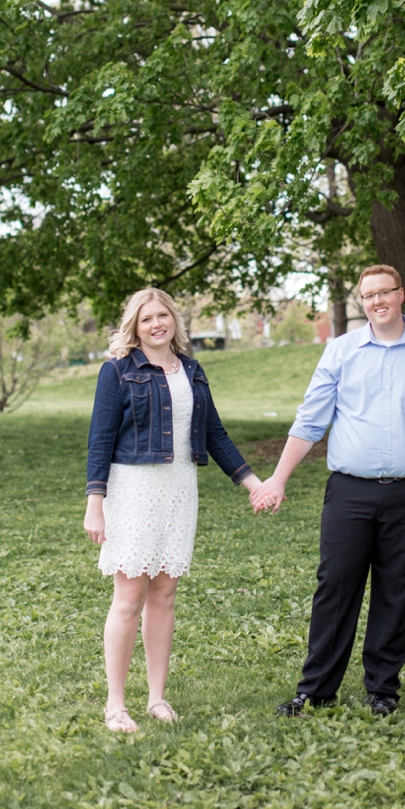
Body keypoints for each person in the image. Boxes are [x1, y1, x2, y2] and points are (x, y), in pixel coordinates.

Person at [254, 264, 405, 717]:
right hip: (349, 491)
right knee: (335, 586)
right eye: (368, 295)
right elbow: (311, 420)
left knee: (395, 587)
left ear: (401, 294)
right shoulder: (340, 352)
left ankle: (383, 691)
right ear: (362, 302)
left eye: (384, 292)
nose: (377, 302)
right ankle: (315, 690)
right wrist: (277, 478)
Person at [84, 287, 271, 732]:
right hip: (132, 490)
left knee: (164, 595)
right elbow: (100, 439)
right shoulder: (117, 372)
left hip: (179, 489)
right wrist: (95, 503)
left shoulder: (192, 370)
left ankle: (156, 698)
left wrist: (252, 483)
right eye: (146, 318)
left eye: (162, 316)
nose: (156, 324)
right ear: (135, 325)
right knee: (129, 596)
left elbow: (214, 434)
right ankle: (115, 704)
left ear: (174, 321)